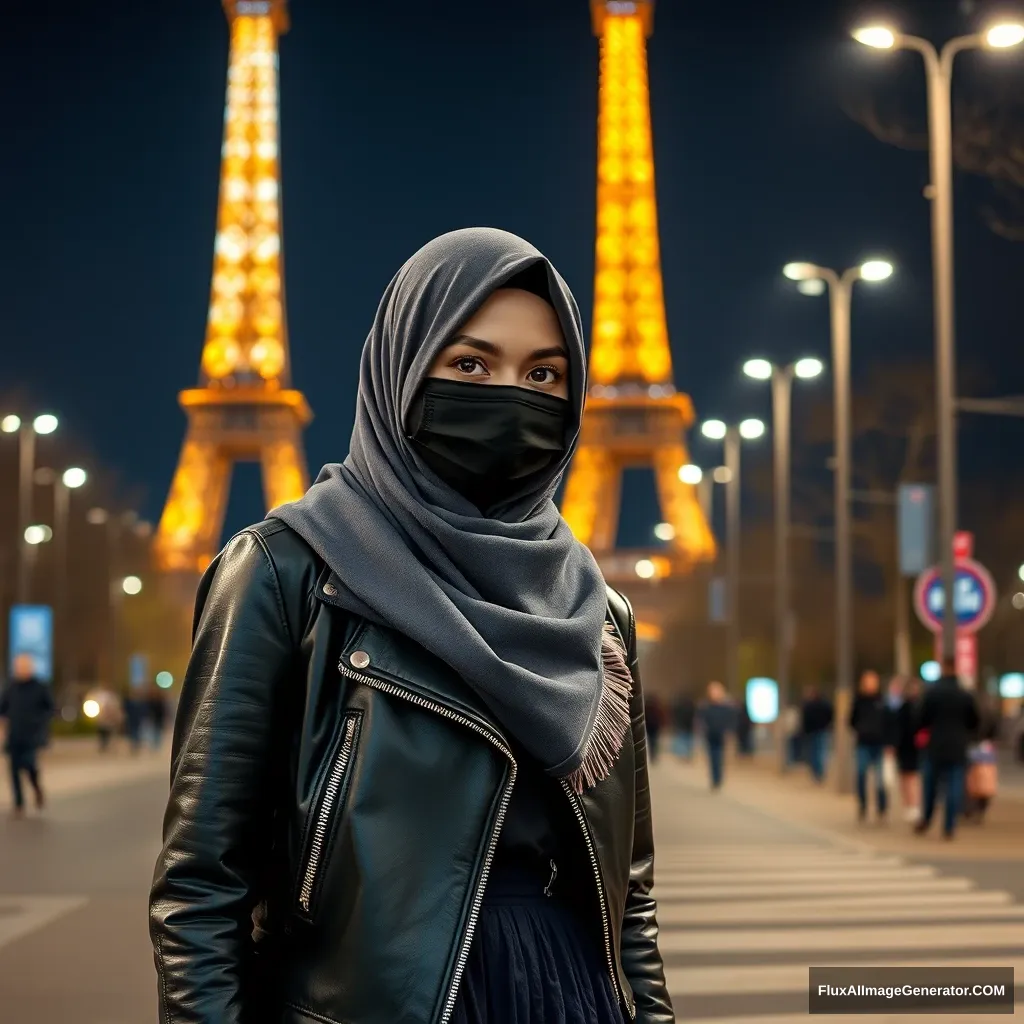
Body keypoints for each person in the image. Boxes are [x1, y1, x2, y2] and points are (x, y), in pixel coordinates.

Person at [149, 229, 674, 1024]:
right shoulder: (286, 573)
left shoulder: (599, 613)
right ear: (401, 366)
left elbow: (629, 899)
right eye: (470, 364)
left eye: (543, 373)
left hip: (571, 997)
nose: (510, 394)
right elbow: (199, 890)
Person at [915, 656, 979, 839]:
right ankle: (949, 826)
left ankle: (927, 819)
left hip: (936, 745)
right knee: (954, 786)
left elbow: (921, 719)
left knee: (930, 786)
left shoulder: (932, 693)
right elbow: (974, 721)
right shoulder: (964, 694)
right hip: (958, 746)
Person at [0, 654, 54, 818]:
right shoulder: (11, 687)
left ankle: (36, 788)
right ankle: (19, 803)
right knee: (14, 769)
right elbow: (2, 708)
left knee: (29, 764)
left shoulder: (39, 687)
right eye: (18, 666)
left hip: (32, 735)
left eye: (23, 666)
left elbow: (50, 708)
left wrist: (40, 722)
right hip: (14, 734)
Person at [849, 670, 890, 822]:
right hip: (863, 743)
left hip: (880, 744)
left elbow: (889, 721)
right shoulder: (858, 700)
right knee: (860, 775)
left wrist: (889, 741)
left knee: (880, 780)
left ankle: (882, 808)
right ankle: (863, 805)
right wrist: (861, 729)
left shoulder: (883, 701)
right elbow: (851, 720)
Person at [893, 676, 923, 822]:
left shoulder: (916, 707)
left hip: (912, 746)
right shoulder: (905, 708)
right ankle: (909, 804)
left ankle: (913, 804)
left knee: (911, 777)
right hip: (907, 746)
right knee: (907, 776)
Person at [698, 681, 736, 790]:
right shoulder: (706, 706)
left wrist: (729, 731)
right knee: (712, 757)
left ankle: (718, 778)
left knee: (719, 757)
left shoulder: (726, 707)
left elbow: (731, 720)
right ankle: (714, 778)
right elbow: (702, 719)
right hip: (710, 735)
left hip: (721, 735)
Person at [800, 685, 833, 783]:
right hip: (818, 730)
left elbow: (805, 719)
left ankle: (817, 772)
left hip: (815, 731)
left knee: (816, 752)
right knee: (819, 752)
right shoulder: (823, 704)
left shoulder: (809, 705)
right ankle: (819, 772)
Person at [670, 692, 696, 760]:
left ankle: (683, 754)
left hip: (682, 725)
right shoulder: (691, 707)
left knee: (682, 741)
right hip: (688, 726)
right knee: (687, 741)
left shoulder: (679, 706)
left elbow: (676, 716)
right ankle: (687, 754)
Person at [645, 692, 667, 762]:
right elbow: (661, 716)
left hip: (649, 726)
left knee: (651, 741)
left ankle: (652, 755)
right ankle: (653, 755)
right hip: (655, 727)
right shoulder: (657, 707)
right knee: (654, 741)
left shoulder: (646, 707)